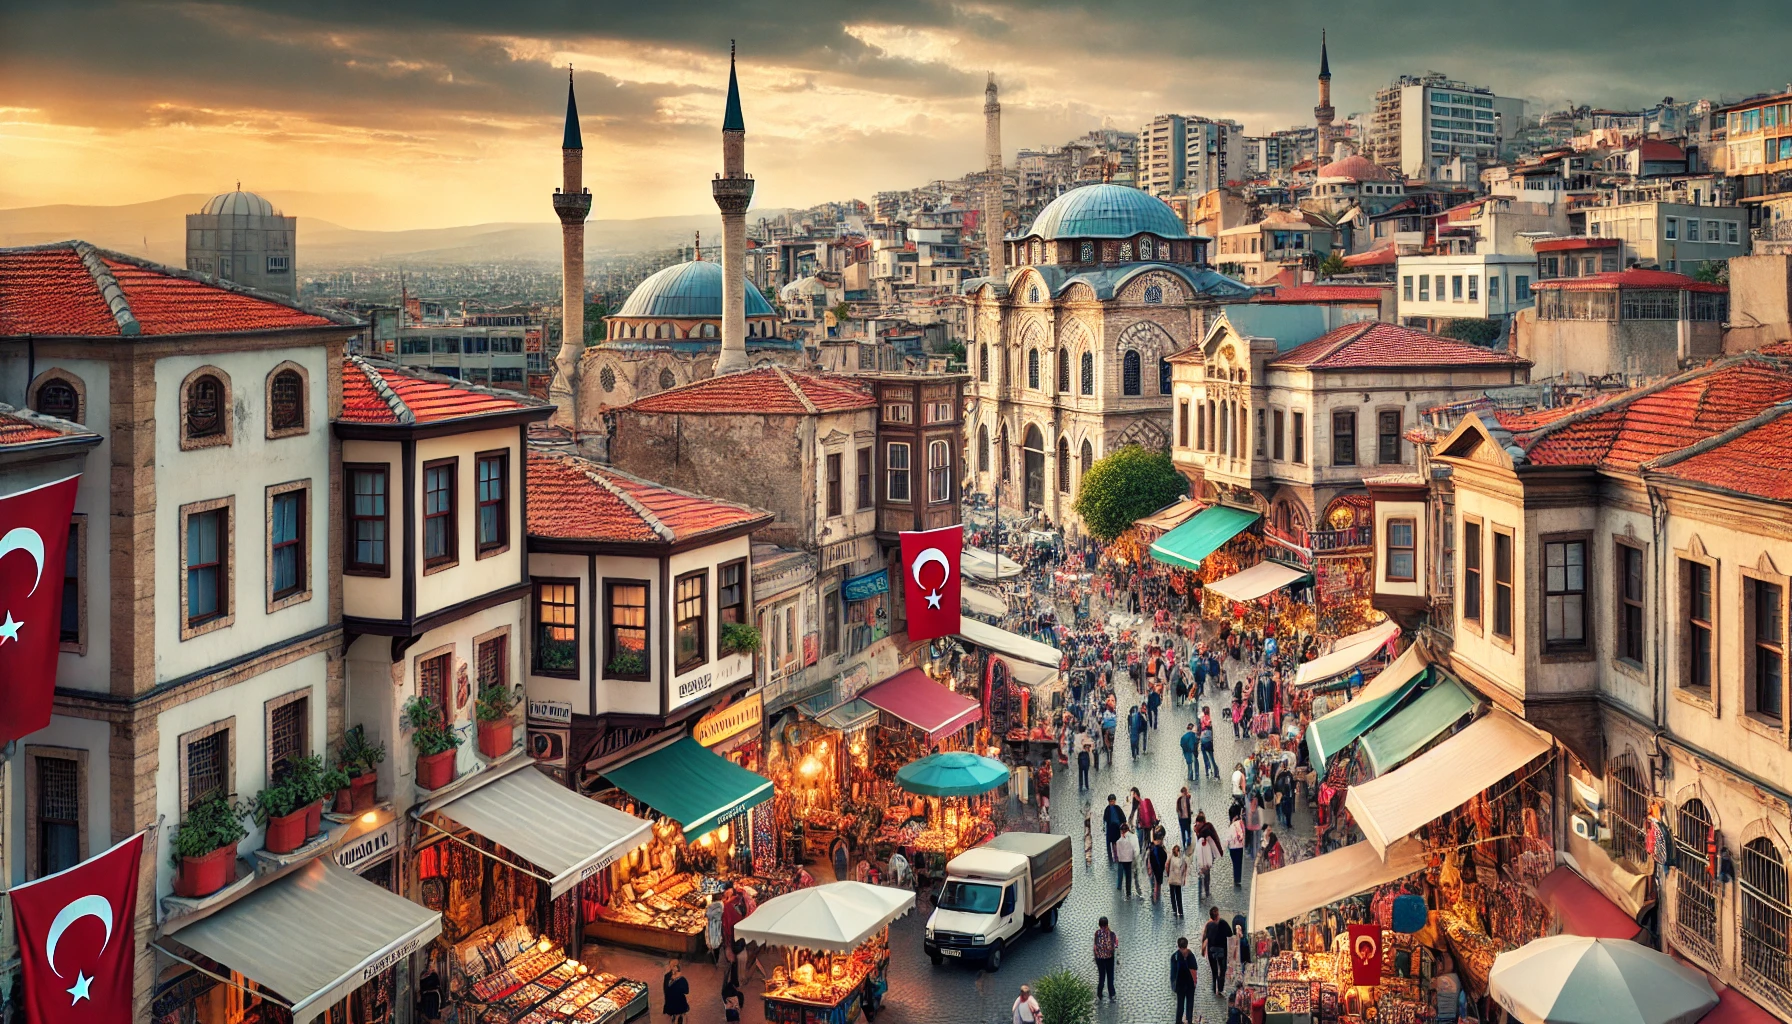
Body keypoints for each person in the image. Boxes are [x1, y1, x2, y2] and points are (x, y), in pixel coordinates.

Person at [1170, 936, 1201, 1024]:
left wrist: (1173, 984)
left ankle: (1178, 1020)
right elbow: (1194, 970)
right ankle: (1189, 1020)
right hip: (1189, 983)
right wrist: (1195, 981)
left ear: (1178, 946)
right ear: (1187, 945)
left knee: (1180, 1003)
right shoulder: (1190, 955)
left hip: (1179, 984)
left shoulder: (1175, 956)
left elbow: (1173, 972)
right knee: (1190, 1002)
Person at [1201, 907, 1231, 997]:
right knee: (1222, 969)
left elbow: (1205, 936)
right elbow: (1230, 934)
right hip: (1222, 950)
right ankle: (1220, 988)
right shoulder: (1223, 923)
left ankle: (1214, 988)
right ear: (1217, 915)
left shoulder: (1209, 925)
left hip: (1211, 950)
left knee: (1214, 970)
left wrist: (1203, 949)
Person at [1093, 917, 1118, 1000]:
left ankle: (1105, 993)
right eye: (1102, 926)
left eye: (1104, 926)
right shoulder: (1106, 934)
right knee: (1105, 977)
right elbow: (1095, 945)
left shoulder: (1108, 934)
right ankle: (1106, 993)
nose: (1103, 928)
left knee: (1106, 977)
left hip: (1104, 959)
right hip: (1105, 959)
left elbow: (1115, 943)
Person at [1114, 825, 1139, 899]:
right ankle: (1128, 893)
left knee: (1121, 873)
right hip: (1128, 860)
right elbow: (1134, 849)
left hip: (1122, 860)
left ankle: (1119, 885)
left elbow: (1118, 852)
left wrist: (1119, 858)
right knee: (1128, 876)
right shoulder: (1131, 839)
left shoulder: (1118, 841)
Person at [1166, 843, 1190, 918]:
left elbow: (1167, 865)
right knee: (1177, 896)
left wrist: (1168, 874)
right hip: (1176, 880)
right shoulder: (1180, 858)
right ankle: (1179, 911)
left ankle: (1176, 911)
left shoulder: (1173, 858)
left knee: (1175, 896)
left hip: (1174, 880)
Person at [1102, 794, 1125, 863]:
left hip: (1117, 828)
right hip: (1111, 828)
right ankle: (1114, 857)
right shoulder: (1107, 809)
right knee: (1112, 843)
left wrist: (1123, 825)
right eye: (1111, 801)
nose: (1112, 802)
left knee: (1118, 842)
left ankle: (1118, 856)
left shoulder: (1117, 808)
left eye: (1113, 801)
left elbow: (1122, 817)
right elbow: (1105, 819)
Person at [1146, 833, 1169, 901]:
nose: (1162, 841)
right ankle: (1155, 897)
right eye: (1161, 839)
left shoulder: (1157, 847)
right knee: (1156, 883)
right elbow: (1150, 859)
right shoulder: (1155, 848)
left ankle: (1156, 896)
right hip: (1156, 868)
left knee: (1157, 883)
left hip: (1158, 868)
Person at [1227, 813, 1246, 887]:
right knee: (1239, 863)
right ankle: (1239, 879)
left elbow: (1228, 838)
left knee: (1235, 864)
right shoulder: (1241, 824)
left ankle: (1236, 879)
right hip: (1240, 847)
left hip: (1233, 848)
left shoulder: (1231, 826)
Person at [705, 896, 726, 964]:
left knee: (714, 942)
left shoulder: (712, 907)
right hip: (717, 927)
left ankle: (715, 959)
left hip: (713, 927)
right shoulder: (721, 905)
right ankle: (716, 959)